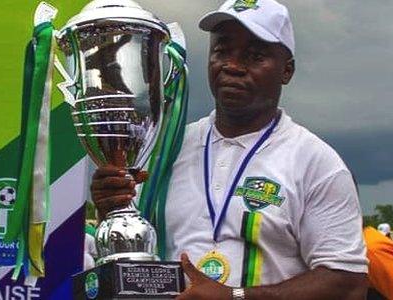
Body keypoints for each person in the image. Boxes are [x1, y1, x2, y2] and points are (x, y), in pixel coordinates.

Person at [91, 0, 369, 299]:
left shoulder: (315, 162)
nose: (233, 66)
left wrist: (236, 296)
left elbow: (348, 283)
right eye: (222, 51)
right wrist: (115, 207)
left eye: (255, 55)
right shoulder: (165, 149)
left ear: (286, 70)